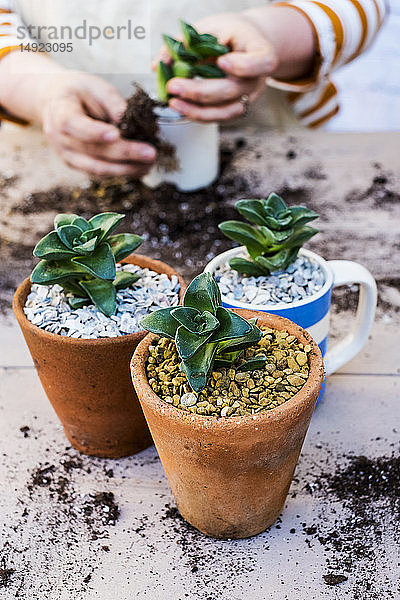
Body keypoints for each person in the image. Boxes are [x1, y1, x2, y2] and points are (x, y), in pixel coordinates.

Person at [0, 0, 388, 177]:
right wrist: (39, 90)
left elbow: (365, 6)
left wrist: (271, 34)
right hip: (55, 154)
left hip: (273, 155)